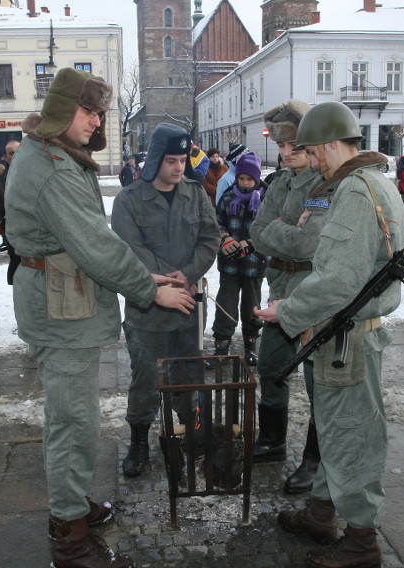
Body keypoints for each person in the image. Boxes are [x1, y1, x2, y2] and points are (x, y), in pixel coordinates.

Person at [3, 67, 195, 568]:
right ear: (63, 110)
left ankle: (70, 505)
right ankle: (69, 536)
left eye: (99, 113)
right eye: (88, 111)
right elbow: (96, 246)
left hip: (65, 301)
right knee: (74, 421)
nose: (95, 121)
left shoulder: (56, 156)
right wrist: (151, 293)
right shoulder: (50, 168)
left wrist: (147, 280)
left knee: (73, 416)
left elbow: (96, 243)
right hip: (61, 308)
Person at [254, 101, 404, 568]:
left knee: (351, 433)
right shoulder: (373, 181)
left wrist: (287, 310)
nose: (313, 160)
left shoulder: (356, 192)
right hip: (345, 332)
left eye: (315, 151)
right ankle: (322, 513)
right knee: (334, 426)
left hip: (349, 337)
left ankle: (361, 540)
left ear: (333, 144)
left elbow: (338, 279)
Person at [112, 122, 218, 478]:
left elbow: (209, 238)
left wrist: (186, 275)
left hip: (187, 305)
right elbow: (130, 250)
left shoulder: (195, 192)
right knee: (145, 378)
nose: (178, 167)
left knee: (189, 373)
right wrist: (164, 285)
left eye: (183, 159)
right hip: (147, 310)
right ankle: (139, 439)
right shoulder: (128, 200)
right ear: (155, 159)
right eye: (171, 160)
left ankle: (194, 433)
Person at [250, 98, 329, 493]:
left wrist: (279, 232)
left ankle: (314, 460)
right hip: (278, 287)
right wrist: (284, 229)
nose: (283, 154)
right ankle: (272, 441)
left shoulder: (323, 184)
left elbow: (307, 244)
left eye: (293, 147)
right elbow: (256, 231)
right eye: (280, 147)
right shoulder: (280, 182)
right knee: (271, 368)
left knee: (319, 379)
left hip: (312, 292)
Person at [210, 150, 267, 366]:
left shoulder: (265, 200)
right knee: (226, 305)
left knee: (252, 307)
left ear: (256, 178)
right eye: (241, 178)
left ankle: (251, 345)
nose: (244, 183)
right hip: (230, 264)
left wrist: (251, 244)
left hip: (254, 264)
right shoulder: (227, 198)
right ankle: (221, 347)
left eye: (249, 179)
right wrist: (224, 239)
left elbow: (269, 228)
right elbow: (217, 223)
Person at [0, 139, 21, 285]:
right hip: (15, 240)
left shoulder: (37, 176)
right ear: (6, 157)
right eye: (11, 153)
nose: (15, 155)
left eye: (18, 151)